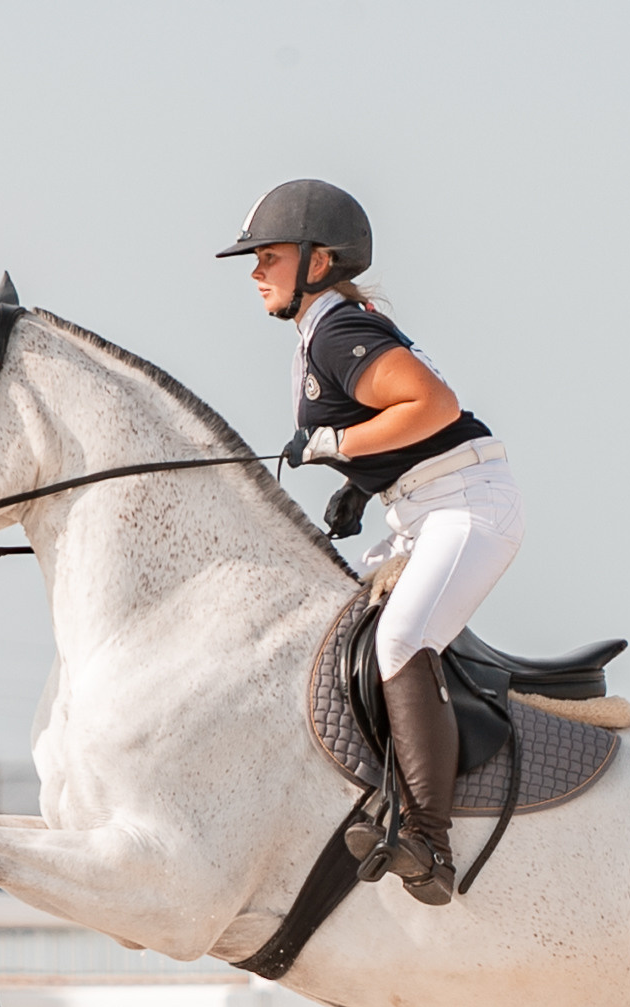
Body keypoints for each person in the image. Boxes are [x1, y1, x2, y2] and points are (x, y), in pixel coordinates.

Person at [217, 179, 521, 906]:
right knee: (336, 629)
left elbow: (433, 406)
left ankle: (430, 841)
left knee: (401, 640)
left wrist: (337, 445)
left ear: (318, 261)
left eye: (268, 256)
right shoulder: (324, 329)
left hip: (466, 506)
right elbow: (401, 424)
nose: (255, 270)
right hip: (422, 505)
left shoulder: (335, 331)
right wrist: (361, 482)